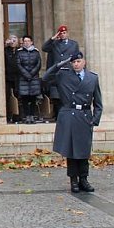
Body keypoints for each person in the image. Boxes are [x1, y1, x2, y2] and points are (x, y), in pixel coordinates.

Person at [42, 52, 102, 193]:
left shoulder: (92, 78)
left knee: (83, 151)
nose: (76, 64)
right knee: (71, 151)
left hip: (85, 116)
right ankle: (73, 180)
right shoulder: (64, 75)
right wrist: (61, 63)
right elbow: (46, 77)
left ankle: (84, 179)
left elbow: (98, 101)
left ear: (84, 62)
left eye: (78, 61)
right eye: (73, 62)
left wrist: (95, 119)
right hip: (69, 114)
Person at [41, 25, 80, 118]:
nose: (63, 35)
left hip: (69, 71)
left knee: (68, 95)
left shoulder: (74, 44)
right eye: (61, 33)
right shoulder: (55, 43)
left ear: (67, 33)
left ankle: (69, 115)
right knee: (58, 96)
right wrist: (53, 38)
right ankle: (59, 115)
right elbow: (44, 48)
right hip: (58, 72)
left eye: (64, 33)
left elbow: (77, 57)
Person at [16, 35, 43, 124]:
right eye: (25, 41)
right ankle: (26, 116)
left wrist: (31, 74)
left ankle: (32, 115)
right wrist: (26, 74)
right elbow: (18, 64)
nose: (26, 43)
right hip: (23, 78)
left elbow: (38, 64)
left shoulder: (36, 52)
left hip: (34, 78)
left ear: (31, 42)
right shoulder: (19, 52)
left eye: (28, 41)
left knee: (33, 98)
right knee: (25, 98)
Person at [4, 35, 20, 121]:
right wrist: (5, 45)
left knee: (18, 96)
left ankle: (17, 116)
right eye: (11, 40)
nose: (13, 42)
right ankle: (7, 115)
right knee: (7, 96)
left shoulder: (19, 51)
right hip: (7, 77)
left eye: (14, 40)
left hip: (18, 77)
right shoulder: (6, 51)